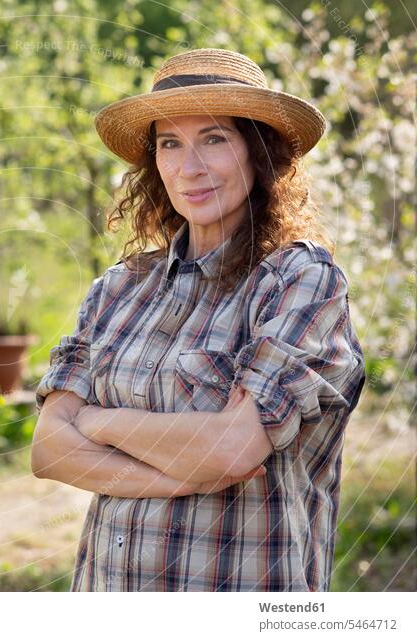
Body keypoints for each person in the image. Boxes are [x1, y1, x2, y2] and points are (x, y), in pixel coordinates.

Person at [31, 48, 366, 592]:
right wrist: (179, 476)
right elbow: (48, 451)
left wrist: (95, 422)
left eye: (214, 139)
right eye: (170, 144)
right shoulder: (117, 289)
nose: (190, 168)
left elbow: (233, 451)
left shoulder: (299, 282)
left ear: (259, 153)